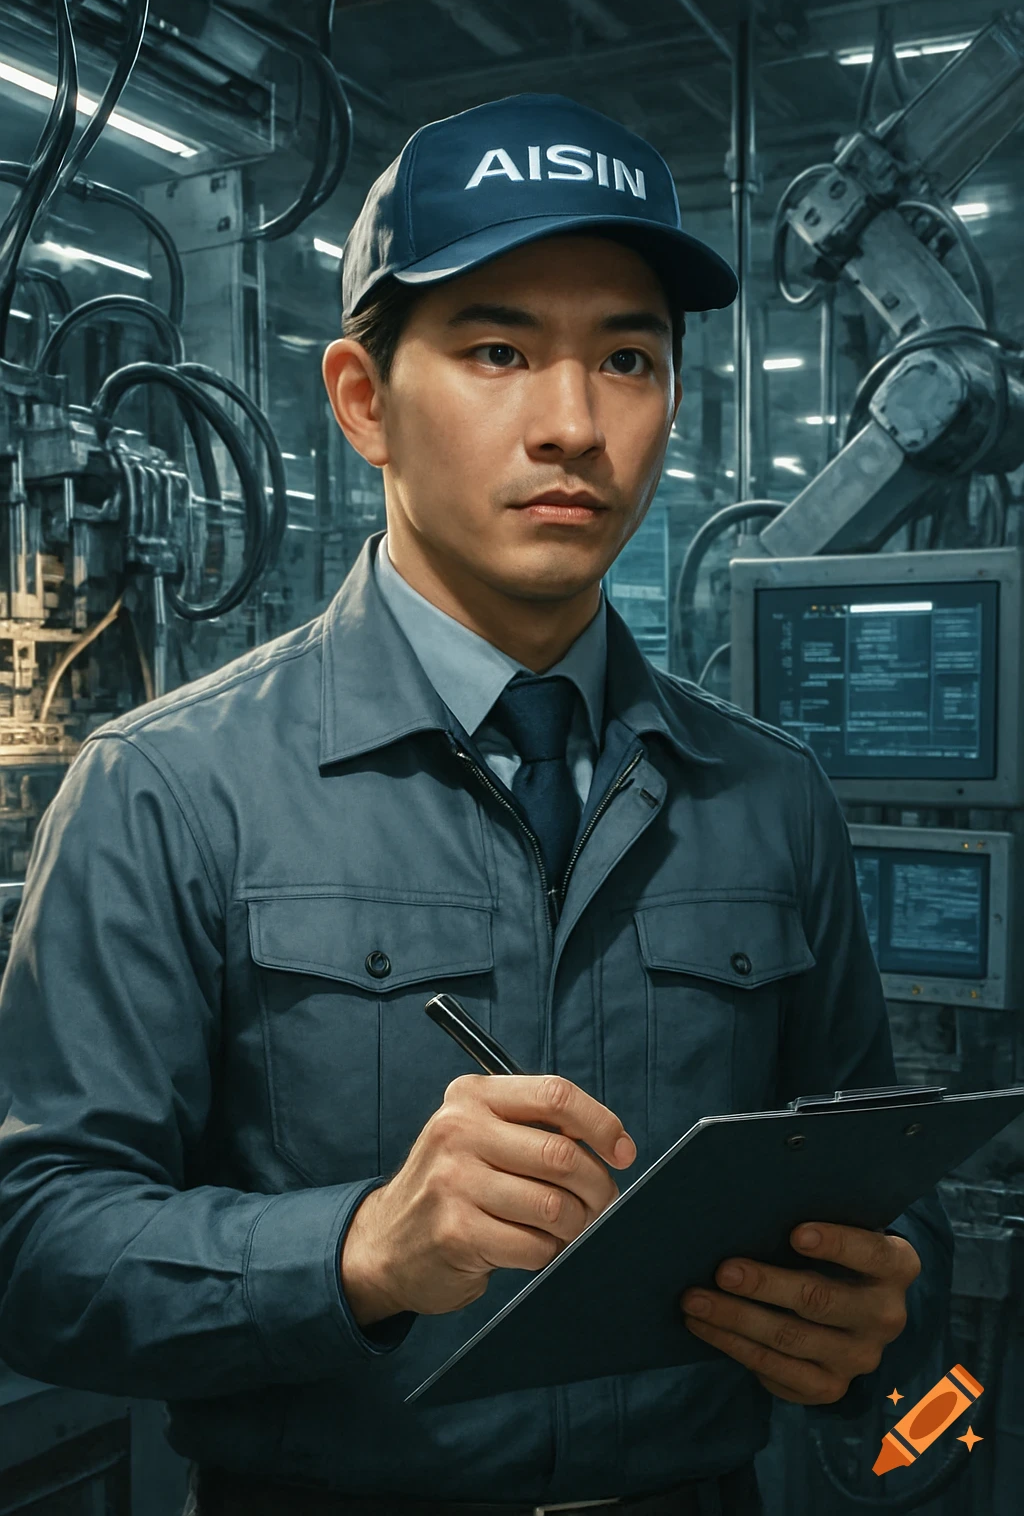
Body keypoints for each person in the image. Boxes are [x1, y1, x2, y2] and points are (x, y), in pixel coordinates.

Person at [0, 93, 952, 1516]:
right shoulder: (171, 788)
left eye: (626, 356)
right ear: (364, 400)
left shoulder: (770, 798)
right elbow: (34, 1246)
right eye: (500, 348)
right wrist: (361, 1253)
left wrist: (889, 1312)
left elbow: (882, 1183)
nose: (572, 423)